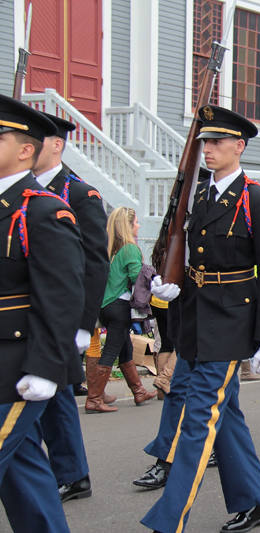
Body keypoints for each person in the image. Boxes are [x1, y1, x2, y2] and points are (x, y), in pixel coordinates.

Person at [142, 105, 260, 532]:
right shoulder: (199, 195)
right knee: (226, 419)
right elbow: (191, 259)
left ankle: (169, 521)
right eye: (205, 142)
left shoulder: (257, 200)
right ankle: (256, 501)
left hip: (230, 325)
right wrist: (173, 286)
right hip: (195, 321)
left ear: (239, 147)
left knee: (199, 420)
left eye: (218, 142)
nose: (208, 149)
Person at [0, 93, 82, 532]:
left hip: (17, 364)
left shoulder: (44, 210)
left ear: (25, 149)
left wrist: (47, 368)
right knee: (23, 474)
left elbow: (62, 295)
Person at [31, 112, 108, 501]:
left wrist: (83, 324)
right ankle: (65, 473)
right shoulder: (15, 191)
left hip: (58, 315)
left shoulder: (79, 194)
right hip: (21, 311)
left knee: (55, 395)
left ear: (56, 144)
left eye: (34, 138)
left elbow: (95, 264)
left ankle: (72, 474)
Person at [88, 207, 157, 414]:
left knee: (124, 348)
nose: (138, 225)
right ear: (127, 225)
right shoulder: (130, 248)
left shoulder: (110, 248)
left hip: (105, 305)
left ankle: (138, 391)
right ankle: (94, 398)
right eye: (135, 222)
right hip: (121, 305)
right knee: (110, 351)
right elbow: (138, 278)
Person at [149, 235, 177, 399]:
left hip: (157, 300)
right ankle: (164, 378)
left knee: (166, 344)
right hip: (170, 300)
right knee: (180, 342)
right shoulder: (176, 247)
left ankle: (161, 389)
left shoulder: (159, 249)